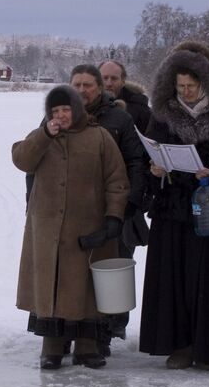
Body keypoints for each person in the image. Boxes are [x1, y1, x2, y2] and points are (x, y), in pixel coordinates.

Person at [138, 41, 209, 370]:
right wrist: (155, 167)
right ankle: (178, 343)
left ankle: (207, 348)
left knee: (207, 279)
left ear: (206, 82)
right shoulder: (163, 112)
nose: (185, 92)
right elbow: (150, 150)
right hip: (171, 206)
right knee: (172, 277)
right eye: (180, 86)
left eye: (191, 86)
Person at [13, 84, 129, 370]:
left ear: (77, 109)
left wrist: (114, 217)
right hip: (48, 230)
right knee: (51, 286)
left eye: (66, 109)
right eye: (56, 111)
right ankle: (51, 347)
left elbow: (117, 180)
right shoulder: (41, 136)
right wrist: (44, 135)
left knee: (86, 290)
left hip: (88, 229)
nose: (62, 115)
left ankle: (87, 347)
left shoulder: (99, 137)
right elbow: (21, 159)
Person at [69, 66, 149, 342]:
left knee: (113, 267)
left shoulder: (123, 117)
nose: (83, 90)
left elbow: (137, 161)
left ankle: (110, 328)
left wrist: (133, 202)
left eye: (88, 84)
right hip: (75, 210)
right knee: (75, 271)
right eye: (77, 84)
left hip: (116, 205)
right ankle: (72, 329)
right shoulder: (62, 115)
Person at [100, 59, 152, 134]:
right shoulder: (87, 107)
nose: (109, 83)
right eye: (104, 78)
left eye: (114, 78)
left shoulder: (141, 111)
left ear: (123, 81)